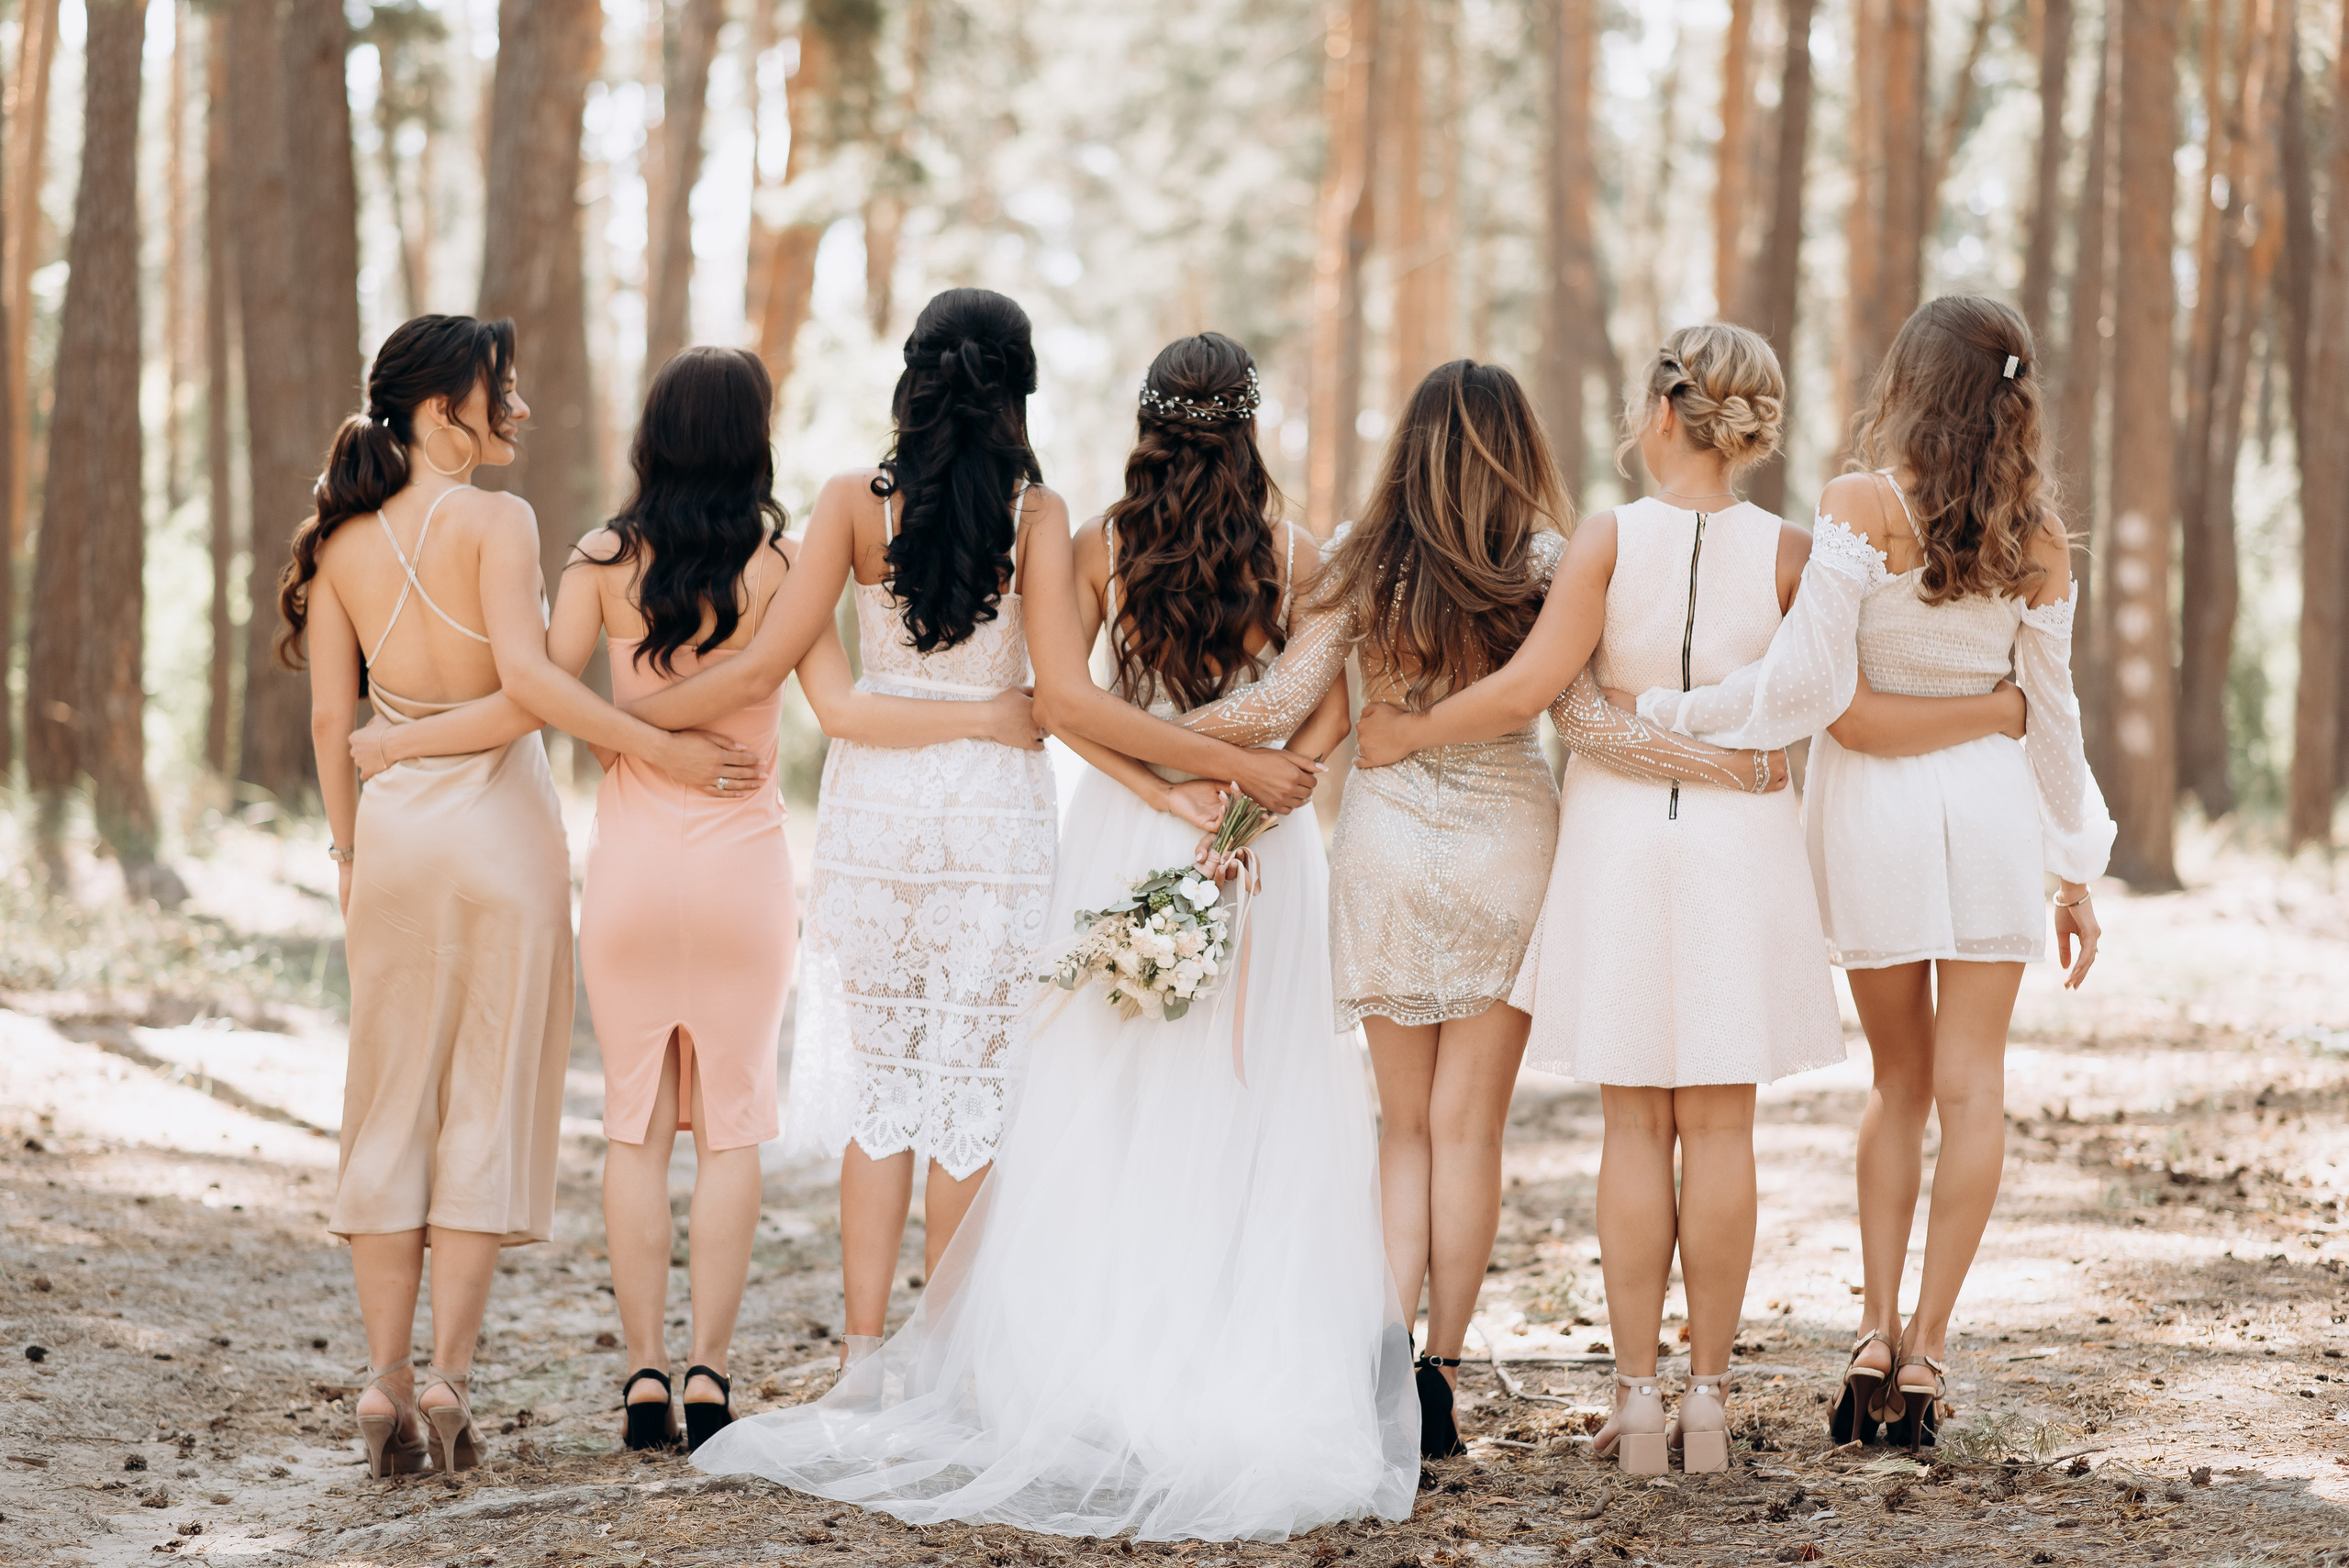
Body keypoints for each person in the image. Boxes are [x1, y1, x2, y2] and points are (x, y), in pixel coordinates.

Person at [691, 330, 1412, 1540]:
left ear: (1147, 423)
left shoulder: (1093, 545)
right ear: (1249, 427)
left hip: (1128, 829)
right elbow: (1334, 702)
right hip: (1263, 850)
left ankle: (1080, 1367)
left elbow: (1069, 707)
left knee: (1110, 1105)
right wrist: (1255, 785)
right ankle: (1227, 1351)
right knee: (1254, 1108)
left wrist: (1176, 796)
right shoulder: (1297, 554)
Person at [1354, 324, 2027, 1472]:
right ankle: (1706, 1400)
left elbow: (1545, 692)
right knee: (1722, 1123)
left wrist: (1408, 732)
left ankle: (1634, 1397)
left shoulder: (1607, 541)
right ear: (1750, 428)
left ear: (1661, 414)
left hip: (1618, 841)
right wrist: (1740, 761)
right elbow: (1814, 701)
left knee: (1633, 1121)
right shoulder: (1798, 551)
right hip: (1740, 850)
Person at [349, 344, 1043, 1452]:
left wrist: (403, 739)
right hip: (743, 871)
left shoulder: (600, 559)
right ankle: (711, 1376)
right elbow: (845, 712)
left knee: (634, 1128)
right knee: (729, 1129)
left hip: (629, 872)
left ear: (652, 435)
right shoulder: (782, 561)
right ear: (752, 438)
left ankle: (640, 1377)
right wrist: (989, 715)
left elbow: (533, 698)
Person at [1165, 357, 1787, 1459]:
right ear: (1521, 451)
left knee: (1401, 1129)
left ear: (1409, 444)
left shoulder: (1362, 567)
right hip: (1510, 848)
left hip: (1389, 849)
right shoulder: (1550, 563)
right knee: (1470, 1131)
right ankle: (1441, 1374)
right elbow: (1589, 726)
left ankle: (1382, 1355)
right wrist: (1723, 763)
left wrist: (1141, 726)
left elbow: (1275, 704)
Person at [1626, 297, 2111, 1448]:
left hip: (1881, 824)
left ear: (1910, 381)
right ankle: (1931, 1351)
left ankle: (1873, 1333)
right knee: (1972, 1086)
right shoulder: (2038, 536)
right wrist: (2072, 871)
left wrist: (1667, 710)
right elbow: (2051, 718)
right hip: (1992, 815)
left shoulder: (1859, 506)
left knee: (1898, 1083)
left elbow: (1808, 692)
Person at [283, 315, 755, 1477]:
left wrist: (355, 835)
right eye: (504, 389)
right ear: (442, 410)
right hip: (500, 831)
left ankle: (383, 1382)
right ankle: (449, 1374)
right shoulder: (501, 521)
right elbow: (531, 689)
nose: (521, 409)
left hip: (392, 841)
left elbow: (332, 722)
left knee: (389, 1099)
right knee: (485, 1098)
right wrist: (666, 752)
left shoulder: (339, 542)